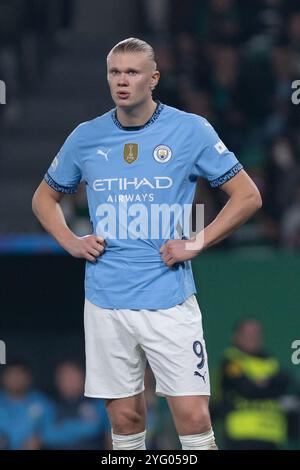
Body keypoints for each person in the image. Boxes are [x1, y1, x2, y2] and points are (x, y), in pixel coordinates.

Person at [32, 37, 262, 451]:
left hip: (168, 297)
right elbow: (43, 198)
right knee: (124, 416)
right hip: (105, 300)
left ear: (153, 79)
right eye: (115, 72)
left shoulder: (190, 130)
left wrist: (196, 242)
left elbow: (247, 195)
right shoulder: (87, 136)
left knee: (192, 415)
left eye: (132, 72)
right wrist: (70, 240)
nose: (122, 81)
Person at [212, 319, 289, 450]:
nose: (252, 338)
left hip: (271, 436)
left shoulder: (271, 362)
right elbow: (246, 388)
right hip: (240, 437)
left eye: (256, 334)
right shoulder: (231, 360)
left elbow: (284, 383)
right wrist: (268, 385)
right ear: (235, 336)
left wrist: (260, 385)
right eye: (247, 334)